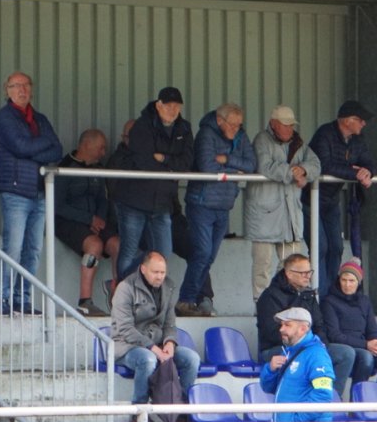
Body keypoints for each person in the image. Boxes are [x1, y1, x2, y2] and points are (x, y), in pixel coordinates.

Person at [0, 71, 63, 314]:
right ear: (7, 90)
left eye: (26, 85)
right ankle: (1, 298)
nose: (22, 90)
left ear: (31, 89)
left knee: (33, 250)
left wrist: (31, 151)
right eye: (16, 85)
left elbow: (57, 149)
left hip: (39, 191)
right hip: (15, 191)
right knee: (13, 247)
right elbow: (20, 146)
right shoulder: (4, 117)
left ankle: (21, 299)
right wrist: (39, 146)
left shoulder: (40, 119)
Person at [176, 103, 256, 316]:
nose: (236, 129)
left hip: (224, 205)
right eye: (232, 125)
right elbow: (207, 167)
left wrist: (227, 159)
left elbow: (251, 164)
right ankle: (186, 300)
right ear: (220, 120)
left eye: (239, 125)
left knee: (209, 256)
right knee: (202, 253)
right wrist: (235, 170)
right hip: (202, 204)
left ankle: (192, 300)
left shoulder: (241, 135)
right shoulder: (206, 134)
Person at [113, 87, 194, 281]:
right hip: (134, 200)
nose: (173, 110)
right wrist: (170, 170)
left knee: (164, 252)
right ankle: (123, 290)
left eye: (177, 106)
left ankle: (148, 293)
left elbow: (186, 162)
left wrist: (164, 158)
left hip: (163, 202)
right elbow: (144, 162)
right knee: (129, 251)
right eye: (168, 106)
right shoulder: (142, 125)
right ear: (158, 105)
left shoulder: (184, 128)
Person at [245, 106, 320, 300]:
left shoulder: (299, 143)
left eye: (291, 125)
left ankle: (288, 302)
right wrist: (293, 173)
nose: (289, 129)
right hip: (264, 216)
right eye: (285, 125)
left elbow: (316, 164)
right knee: (263, 265)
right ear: (273, 124)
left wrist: (304, 170)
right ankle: (261, 305)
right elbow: (265, 166)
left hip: (289, 216)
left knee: (293, 265)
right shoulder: (262, 140)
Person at [303, 100, 377, 297]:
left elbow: (368, 161)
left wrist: (367, 172)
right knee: (320, 247)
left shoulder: (358, 139)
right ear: (347, 121)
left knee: (336, 246)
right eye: (360, 120)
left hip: (331, 200)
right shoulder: (324, 134)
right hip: (310, 199)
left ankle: (330, 294)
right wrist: (355, 173)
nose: (363, 124)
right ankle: (318, 294)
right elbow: (324, 166)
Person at [255, 253, 354, 398]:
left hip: (309, 344)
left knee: (347, 354)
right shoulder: (270, 296)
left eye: (309, 272)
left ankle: (333, 398)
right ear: (289, 273)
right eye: (303, 273)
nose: (308, 276)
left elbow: (319, 325)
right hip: (278, 348)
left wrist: (321, 345)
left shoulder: (308, 294)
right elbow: (271, 332)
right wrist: (303, 342)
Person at [110, 251, 200, 405]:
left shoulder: (168, 286)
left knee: (192, 359)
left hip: (158, 345)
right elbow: (125, 329)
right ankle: (140, 409)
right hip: (126, 346)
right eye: (155, 272)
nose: (159, 277)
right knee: (148, 359)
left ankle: (180, 407)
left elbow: (170, 323)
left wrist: (169, 343)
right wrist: (154, 349)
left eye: (162, 272)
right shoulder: (125, 288)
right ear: (143, 269)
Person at [54, 129, 120, 316]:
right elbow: (57, 206)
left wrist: (99, 220)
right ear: (86, 145)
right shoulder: (65, 167)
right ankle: (85, 302)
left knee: (117, 244)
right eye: (100, 148)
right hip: (68, 222)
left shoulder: (98, 169)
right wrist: (88, 219)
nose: (103, 153)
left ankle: (117, 294)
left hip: (94, 222)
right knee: (95, 245)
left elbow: (102, 199)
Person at [320, 260, 377, 390]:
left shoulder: (364, 301)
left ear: (358, 282)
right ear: (339, 280)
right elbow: (334, 335)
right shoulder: (329, 302)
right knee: (366, 358)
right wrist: (366, 345)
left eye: (352, 281)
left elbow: (372, 329)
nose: (347, 285)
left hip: (364, 346)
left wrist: (376, 342)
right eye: (344, 280)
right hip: (346, 348)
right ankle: (356, 398)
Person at [259, 306, 335, 422]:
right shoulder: (289, 352)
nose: (281, 329)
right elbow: (267, 388)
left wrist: (296, 421)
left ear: (303, 329)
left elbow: (323, 394)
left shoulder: (317, 355)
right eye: (281, 325)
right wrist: (270, 369)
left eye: (287, 325)